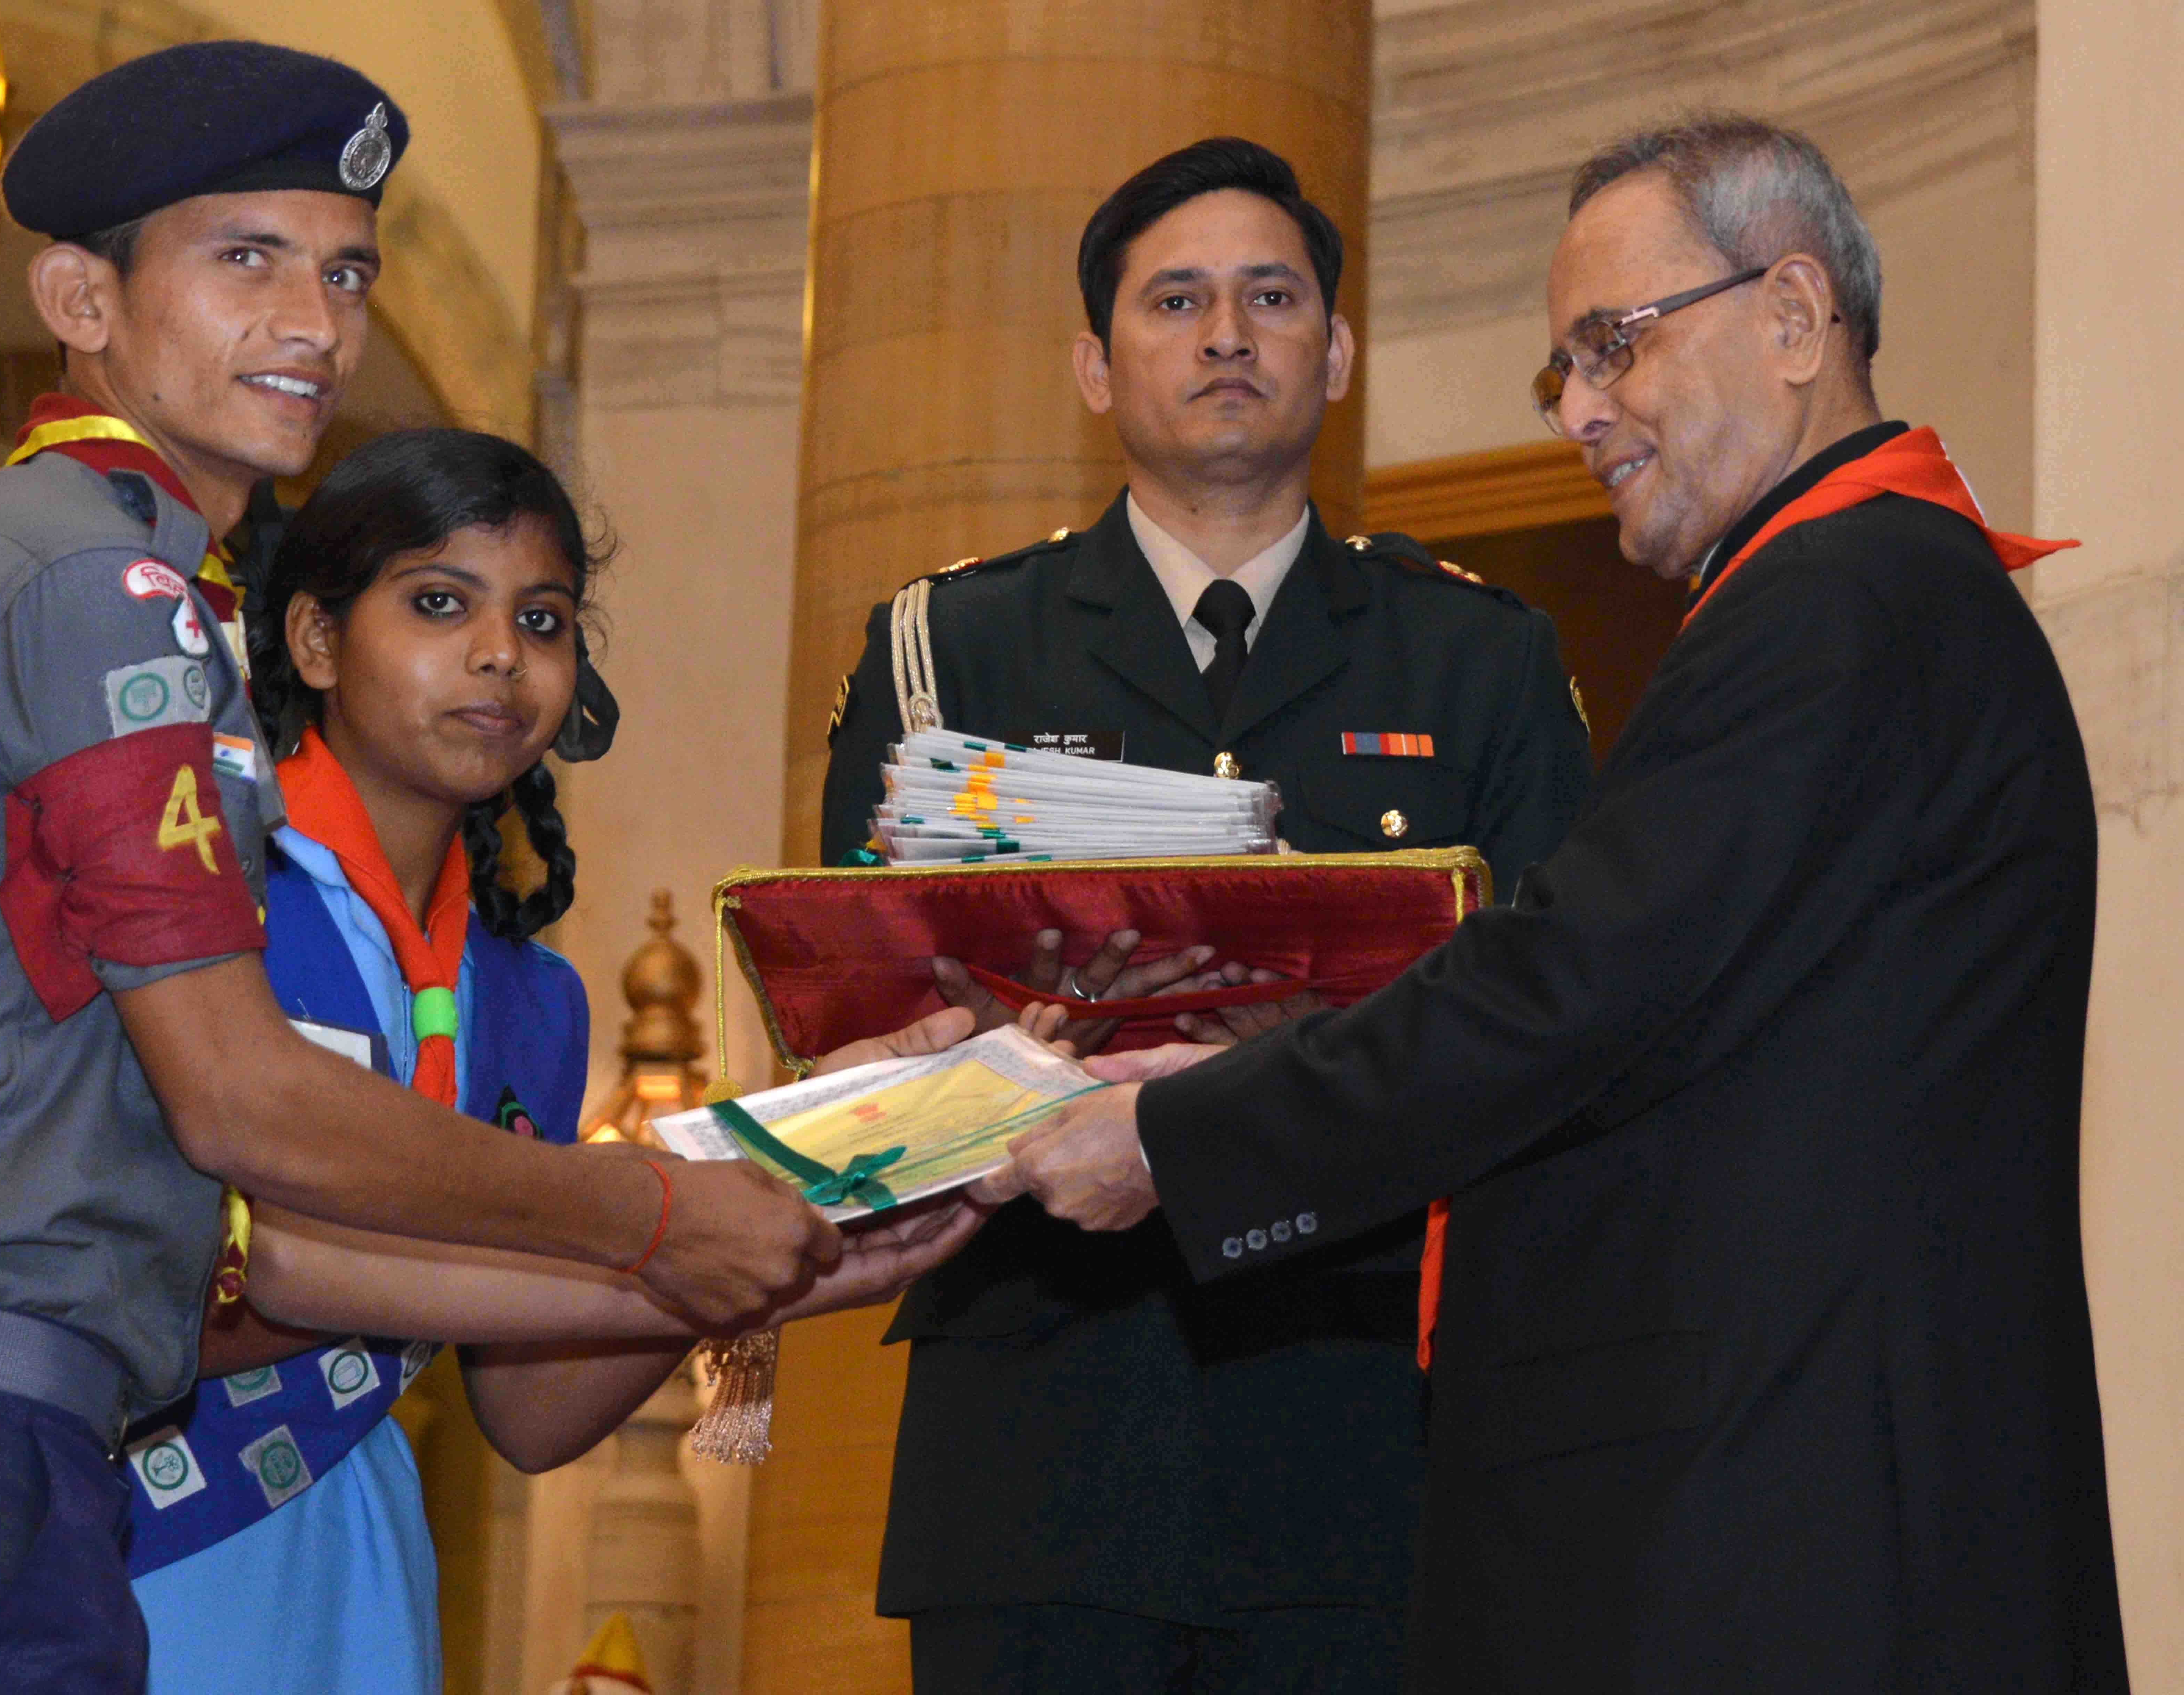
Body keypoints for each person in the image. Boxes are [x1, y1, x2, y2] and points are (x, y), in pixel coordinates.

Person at [0, 43, 860, 1689]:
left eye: (347, 270)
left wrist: (814, 1213)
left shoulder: (125, 579)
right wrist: (650, 1207)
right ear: (81, 297)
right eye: (247, 259)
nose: (316, 323)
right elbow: (239, 1102)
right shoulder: (101, 587)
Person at [978, 116, 2130, 1692]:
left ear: (1793, 318)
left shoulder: (1839, 602)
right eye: (1561, 371)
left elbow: (1567, 986)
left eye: (1612, 346)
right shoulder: (1874, 595)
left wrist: (1181, 1136)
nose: (1581, 410)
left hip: (1803, 1537)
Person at [820, 138, 1592, 1691]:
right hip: (1039, 1439)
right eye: (1174, 301)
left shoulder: (1479, 660)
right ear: (1095, 368)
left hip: (1360, 1437)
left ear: (1338, 351)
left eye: (1270, 296)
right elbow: (866, 1031)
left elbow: (1556, 1032)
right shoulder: (946, 652)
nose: (1225, 333)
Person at [128, 427, 990, 1693]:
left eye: (542, 621)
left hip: (356, 1537)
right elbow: (188, 1284)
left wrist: (793, 1173)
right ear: (314, 642)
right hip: (132, 1531)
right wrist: (670, 1232)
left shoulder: (534, 1001)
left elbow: (529, 1414)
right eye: (438, 604)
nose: (499, 656)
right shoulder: (207, 906)